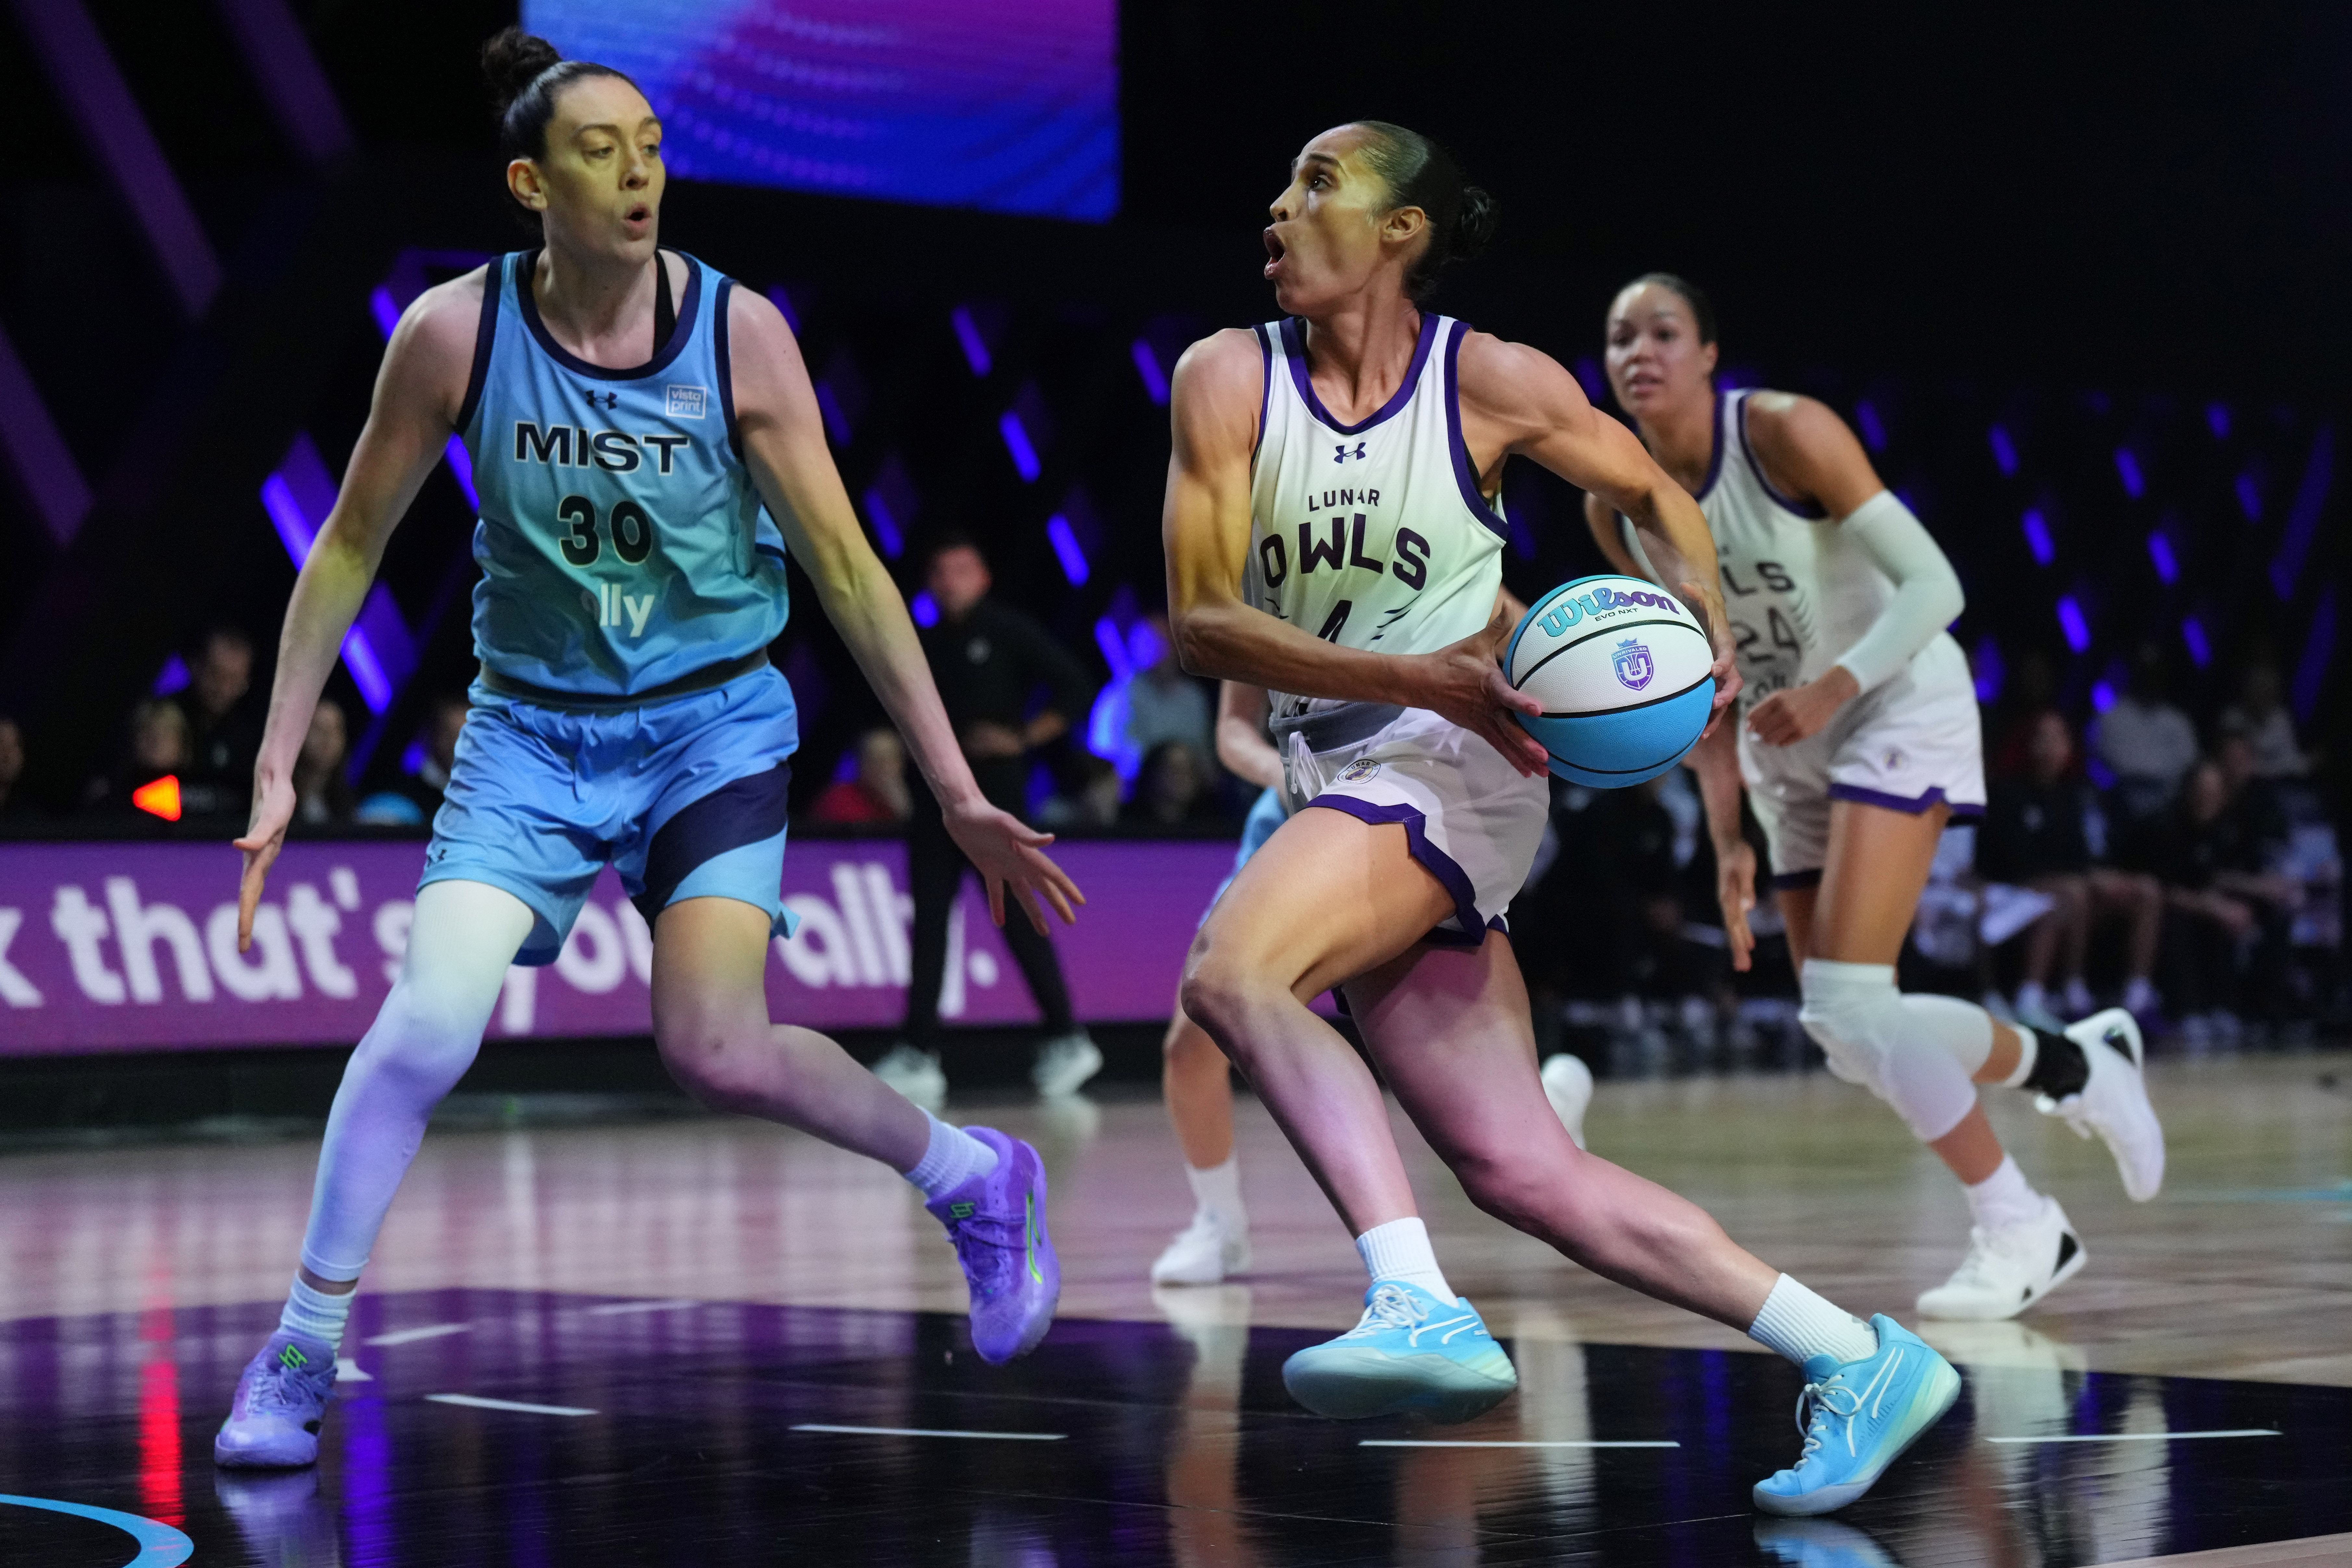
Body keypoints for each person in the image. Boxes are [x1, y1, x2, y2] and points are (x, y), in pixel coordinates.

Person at [213, 29, 1080, 1471]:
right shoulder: (452, 333)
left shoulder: (739, 334)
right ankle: (302, 1344)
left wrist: (959, 787)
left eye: (653, 147)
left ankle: (976, 1179)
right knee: (431, 1020)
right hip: (530, 735)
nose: (636, 174)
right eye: (598, 150)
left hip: (711, 725)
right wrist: (271, 762)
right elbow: (350, 543)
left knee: (713, 1045)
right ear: (526, 180)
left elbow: (855, 574)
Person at [1163, 121, 1958, 1516]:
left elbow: (1648, 485)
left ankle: (1411, 1296)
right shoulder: (1226, 378)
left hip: (1454, 758)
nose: (1277, 209)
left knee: (1231, 970)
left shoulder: (1491, 378)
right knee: (1524, 1168)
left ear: (1403, 230)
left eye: (1317, 185)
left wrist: (1707, 625)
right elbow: (1199, 620)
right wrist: (1416, 669)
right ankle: (1857, 1355)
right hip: (1368, 739)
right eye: (1283, 184)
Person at [1589, 274, 2163, 1329]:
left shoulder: (1780, 432)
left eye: (1663, 331)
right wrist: (1725, 836)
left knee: (1856, 1000)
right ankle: (2073, 1059)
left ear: (1708, 354)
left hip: (1890, 700)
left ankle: (2020, 1224)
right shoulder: (1614, 508)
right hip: (1780, 750)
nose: (1640, 352)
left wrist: (1833, 685)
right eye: (1620, 336)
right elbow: (1695, 687)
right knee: (1848, 1033)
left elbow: (1934, 586)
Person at [871, 536, 1103, 1105]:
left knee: (1020, 919)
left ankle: (1067, 1037)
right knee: (929, 921)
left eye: (961, 570)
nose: (949, 581)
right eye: (940, 571)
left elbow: (1077, 684)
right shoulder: (922, 642)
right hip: (935, 802)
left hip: (997, 799)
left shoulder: (1006, 630)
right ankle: (918, 1051)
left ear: (983, 578)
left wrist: (1023, 739)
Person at [1978, 710, 2162, 1026]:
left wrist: (2102, 879)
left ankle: (2138, 996)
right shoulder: (2005, 793)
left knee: (2146, 890)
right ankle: (2067, 993)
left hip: (2069, 885)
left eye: (2059, 739)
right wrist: (2083, 880)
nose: (2051, 747)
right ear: (2029, 744)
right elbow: (2013, 864)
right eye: (2044, 738)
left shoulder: (2074, 794)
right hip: (2010, 887)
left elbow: (2080, 858)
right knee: (2076, 893)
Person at [175, 625, 267, 802]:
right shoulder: (166, 720)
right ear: (196, 667)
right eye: (215, 675)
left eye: (233, 680)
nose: (222, 689)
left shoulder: (255, 732)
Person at [356, 694, 471, 826]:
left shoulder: (485, 795)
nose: (460, 746)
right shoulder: (397, 793)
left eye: (468, 738)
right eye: (451, 736)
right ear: (432, 736)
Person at [808, 726, 913, 825]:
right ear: (862, 763)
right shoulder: (837, 800)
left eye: (893, 760)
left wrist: (903, 810)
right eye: (879, 760)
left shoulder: (900, 802)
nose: (887, 768)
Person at [1121, 740, 1220, 828]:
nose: (1183, 777)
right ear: (1153, 773)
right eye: (1174, 769)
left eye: (1189, 770)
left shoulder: (1213, 825)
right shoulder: (1125, 825)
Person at [291, 700, 355, 829]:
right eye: (318, 729)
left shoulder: (346, 801)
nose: (328, 739)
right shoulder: (278, 799)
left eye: (336, 730)